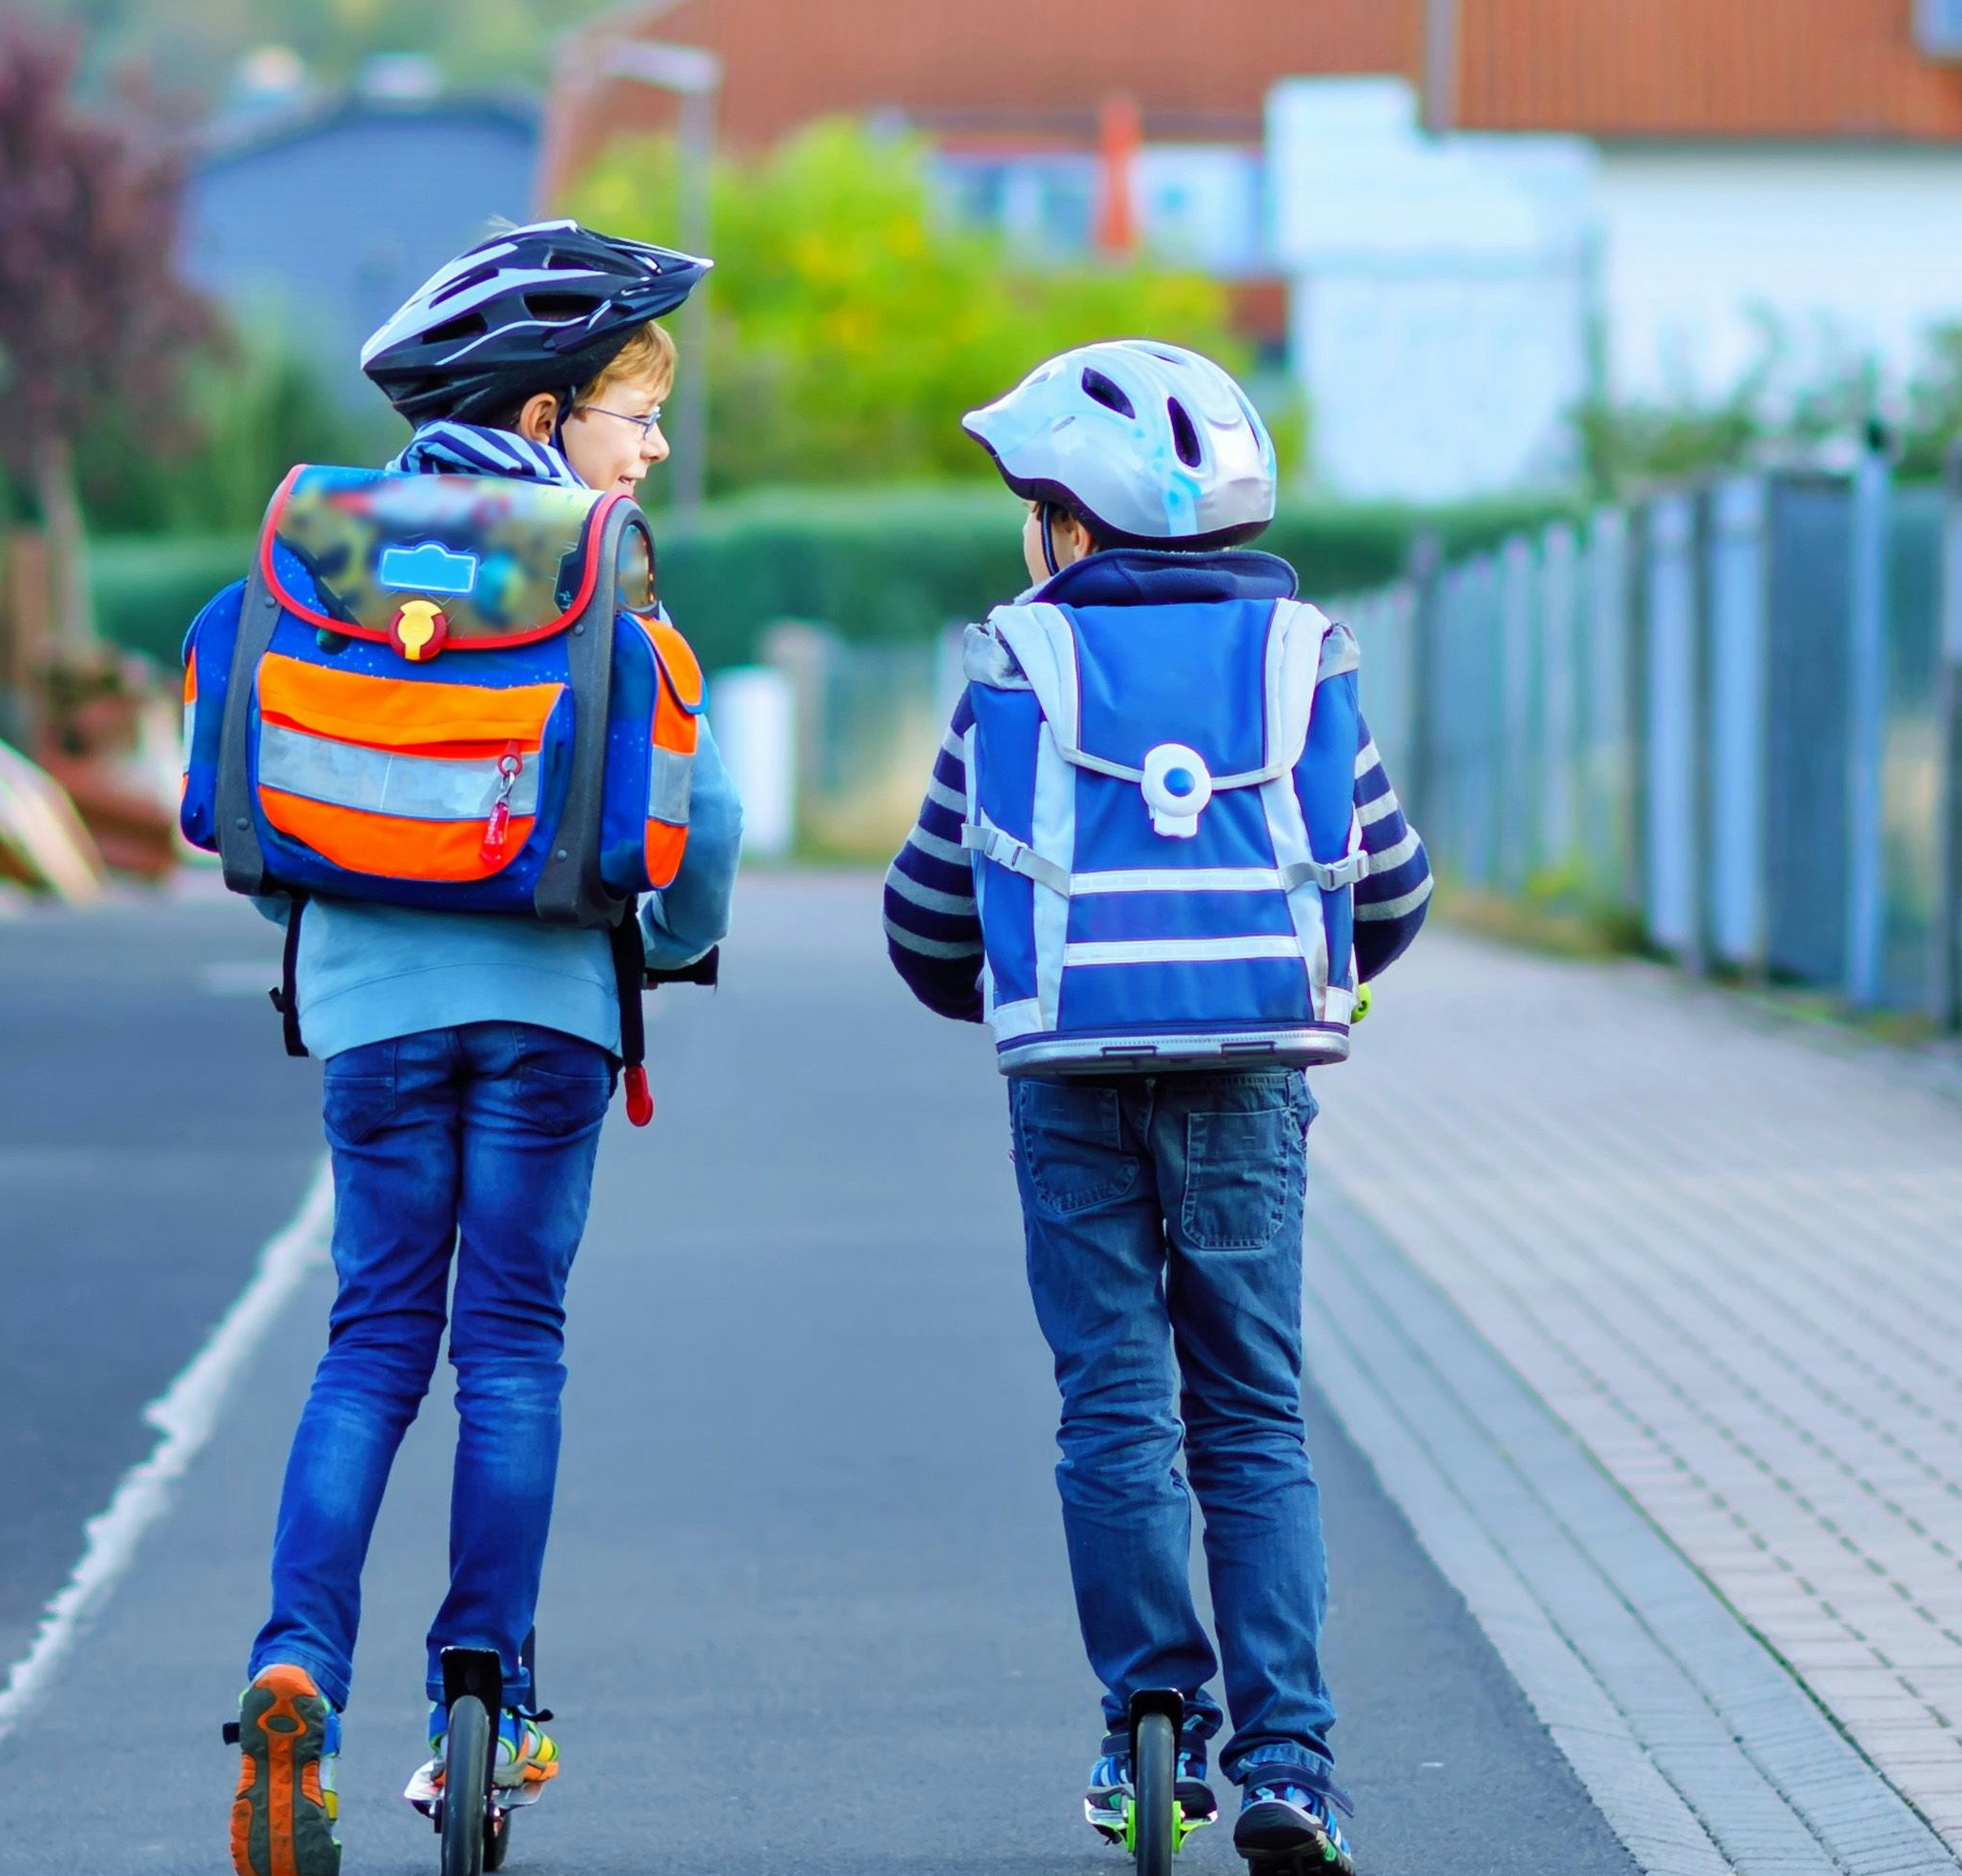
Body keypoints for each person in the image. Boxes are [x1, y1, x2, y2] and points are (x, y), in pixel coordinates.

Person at [192, 221, 742, 1876]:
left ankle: (294, 1661)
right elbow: (694, 826)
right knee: (509, 1346)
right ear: (535, 416)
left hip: (365, 1007)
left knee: (371, 1339)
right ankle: (481, 1696)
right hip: (548, 1014)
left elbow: (236, 770)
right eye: (628, 410)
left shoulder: (322, 559)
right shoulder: (600, 574)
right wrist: (672, 939)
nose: (647, 446)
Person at [880, 341, 1432, 1875]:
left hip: (1068, 1085)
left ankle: (1150, 1727)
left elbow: (928, 917)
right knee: (1251, 1412)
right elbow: (1389, 885)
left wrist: (1013, 986)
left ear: (1067, 522)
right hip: (1252, 1076)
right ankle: (1293, 1764)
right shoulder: (1301, 656)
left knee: (1114, 1407)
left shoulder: (1015, 661)